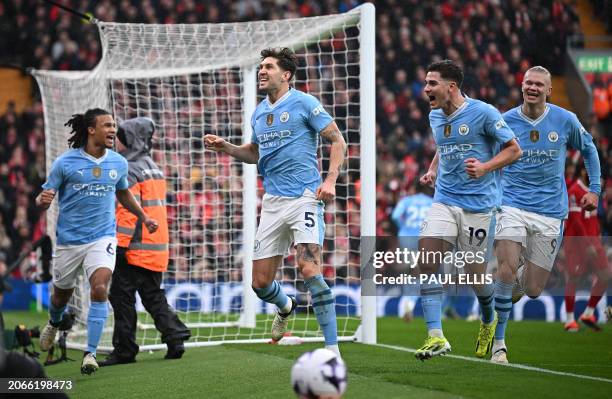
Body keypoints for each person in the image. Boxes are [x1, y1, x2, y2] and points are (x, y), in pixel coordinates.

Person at [203, 47, 347, 356]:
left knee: (310, 270)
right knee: (260, 284)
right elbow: (255, 154)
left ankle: (332, 350)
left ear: (286, 74)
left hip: (305, 198)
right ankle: (285, 306)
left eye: (268, 66)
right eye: (261, 67)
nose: (262, 71)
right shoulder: (258, 112)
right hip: (272, 203)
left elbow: (338, 140)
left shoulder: (304, 103)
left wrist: (331, 179)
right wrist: (226, 146)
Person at [36, 108, 158, 375]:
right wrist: (42, 201)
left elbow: (123, 193)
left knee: (100, 288)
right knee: (60, 297)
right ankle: (54, 323)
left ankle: (89, 353)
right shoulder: (65, 163)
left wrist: (144, 217)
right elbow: (45, 195)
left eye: (114, 125)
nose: (113, 129)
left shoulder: (118, 163)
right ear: (91, 130)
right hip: (69, 241)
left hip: (102, 237)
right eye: (107, 125)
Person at [492, 66, 601, 363]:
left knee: (534, 288)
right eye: (528, 82)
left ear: (549, 90)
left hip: (551, 212)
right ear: (522, 85)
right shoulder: (506, 121)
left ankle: (509, 288)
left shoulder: (565, 120)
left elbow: (590, 150)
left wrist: (595, 189)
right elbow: (486, 148)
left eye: (539, 84)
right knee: (505, 267)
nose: (533, 88)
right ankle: (498, 342)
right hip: (512, 205)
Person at [415, 60, 521, 361]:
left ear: (452, 87)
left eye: (432, 83)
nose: (426, 89)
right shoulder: (435, 115)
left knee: (476, 278)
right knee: (426, 261)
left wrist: (485, 167)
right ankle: (436, 336)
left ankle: (488, 320)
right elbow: (444, 144)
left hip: (479, 208)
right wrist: (433, 169)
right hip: (445, 200)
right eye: (425, 83)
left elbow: (515, 149)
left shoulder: (484, 113)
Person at [99, 117, 191, 367]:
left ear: (132, 139)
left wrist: (119, 246)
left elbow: (129, 212)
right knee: (152, 296)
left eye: (121, 136)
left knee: (121, 297)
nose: (117, 141)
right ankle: (175, 335)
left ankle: (125, 350)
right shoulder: (153, 166)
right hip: (156, 246)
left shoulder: (129, 168)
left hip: (135, 247)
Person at [562, 160, 610, 332]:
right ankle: (569, 320)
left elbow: (594, 219)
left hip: (593, 241)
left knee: (606, 275)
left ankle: (588, 313)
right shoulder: (575, 190)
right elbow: (575, 221)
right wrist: (588, 243)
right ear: (583, 172)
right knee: (573, 277)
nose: (597, 177)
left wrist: (596, 239)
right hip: (576, 242)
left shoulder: (595, 192)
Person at [391, 182, 432, 321]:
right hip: (424, 239)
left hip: (406, 238)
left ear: (414, 189)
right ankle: (410, 302)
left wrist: (403, 227)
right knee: (421, 274)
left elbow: (395, 216)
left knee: (409, 272)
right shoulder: (431, 202)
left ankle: (405, 304)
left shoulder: (406, 201)